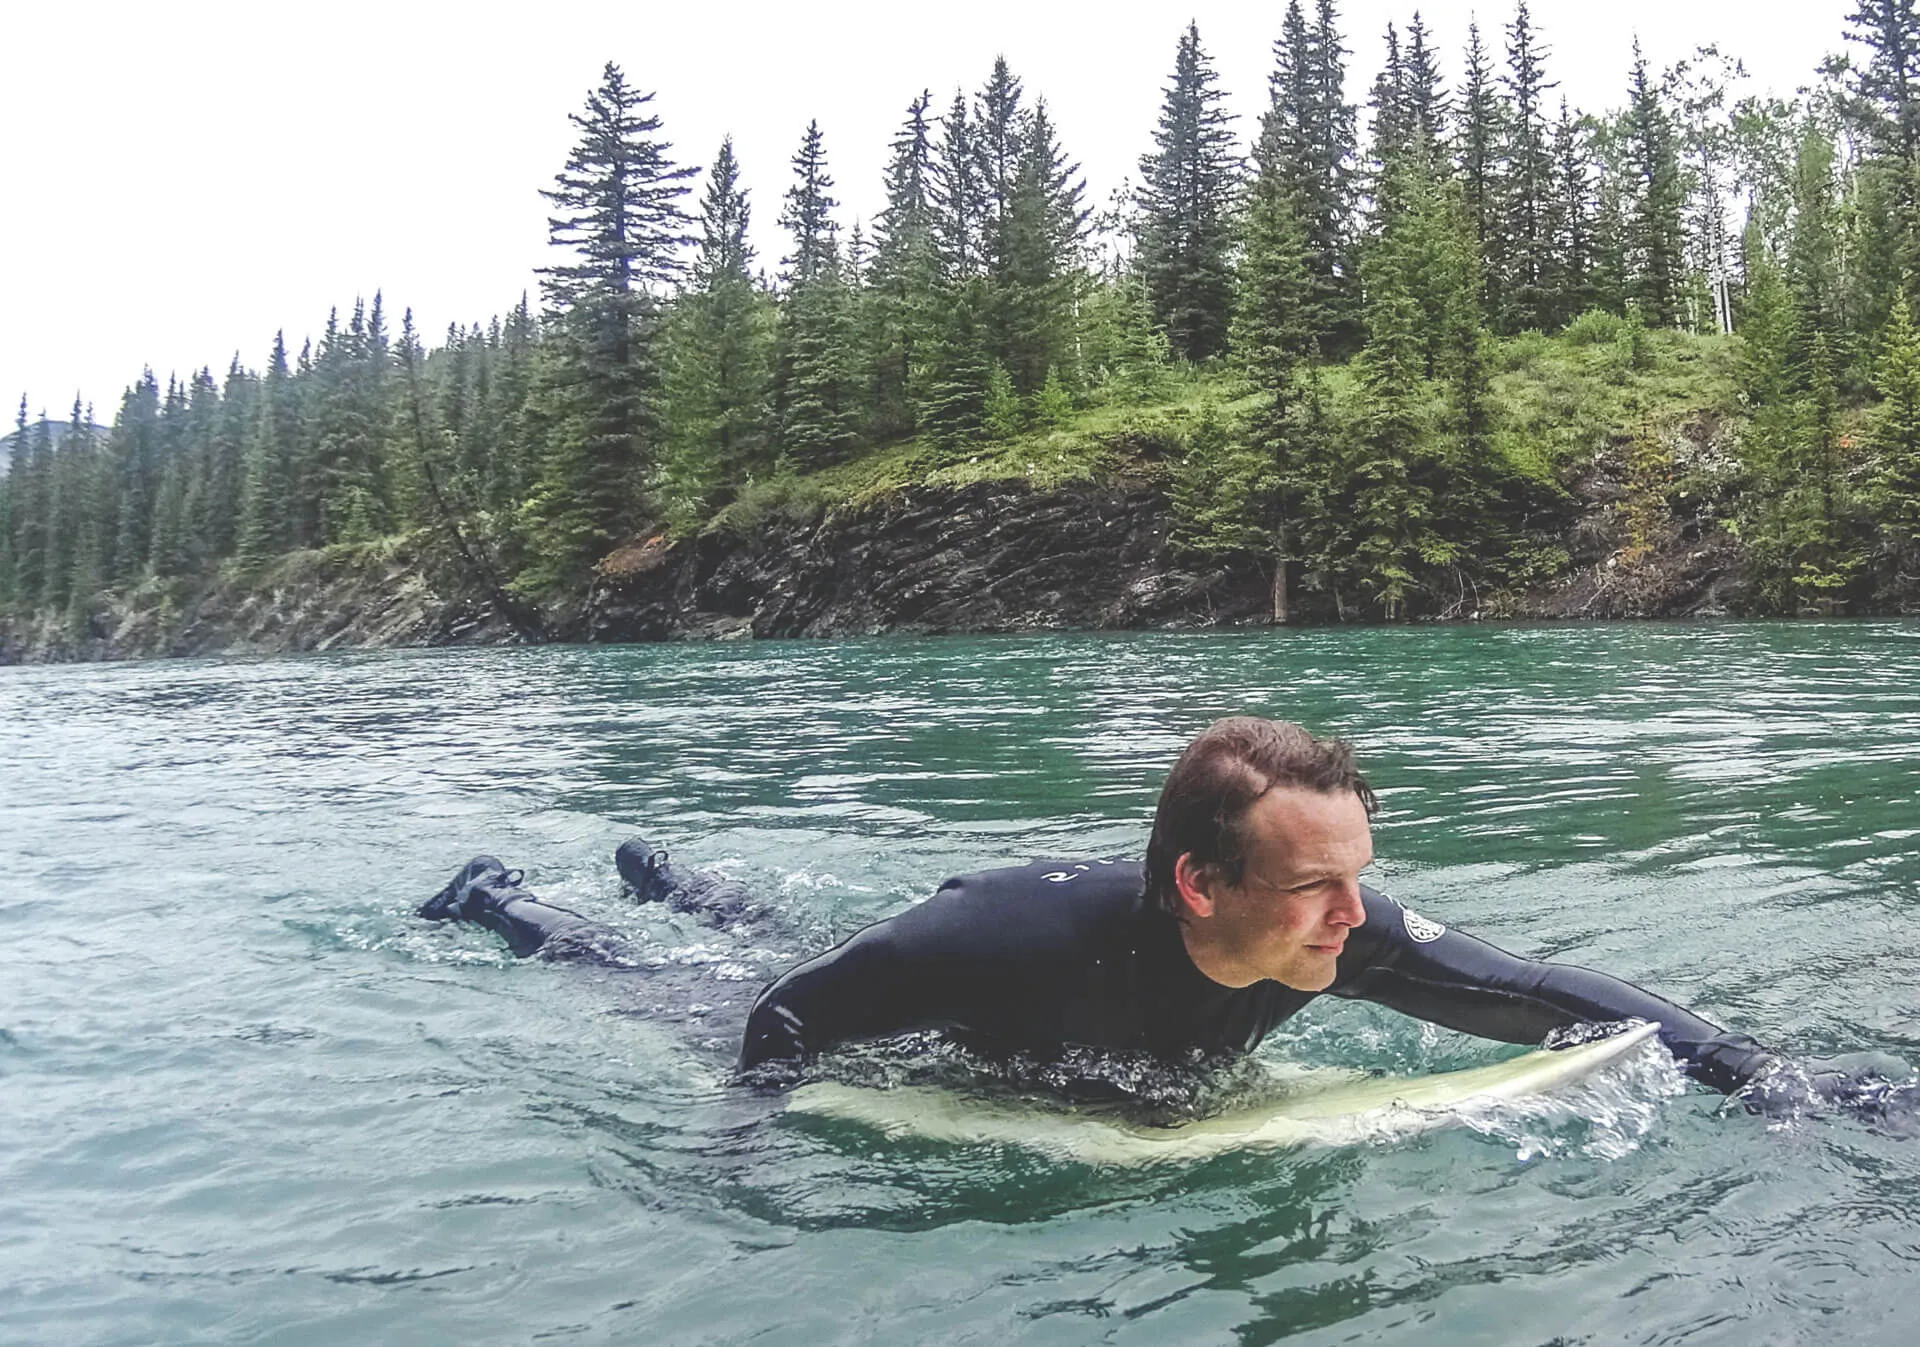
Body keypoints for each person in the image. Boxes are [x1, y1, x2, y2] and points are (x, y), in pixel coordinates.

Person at [420, 717, 1912, 1121]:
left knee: (747, 934)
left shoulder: (1341, 929)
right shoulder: (1001, 940)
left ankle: (674, 870)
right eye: (1319, 885)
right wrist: (743, 1135)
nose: (1360, 916)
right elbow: (788, 1014)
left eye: (1362, 873)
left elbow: (1542, 993)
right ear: (1203, 884)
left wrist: (1763, 1070)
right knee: (693, 981)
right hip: (912, 1007)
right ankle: (515, 898)